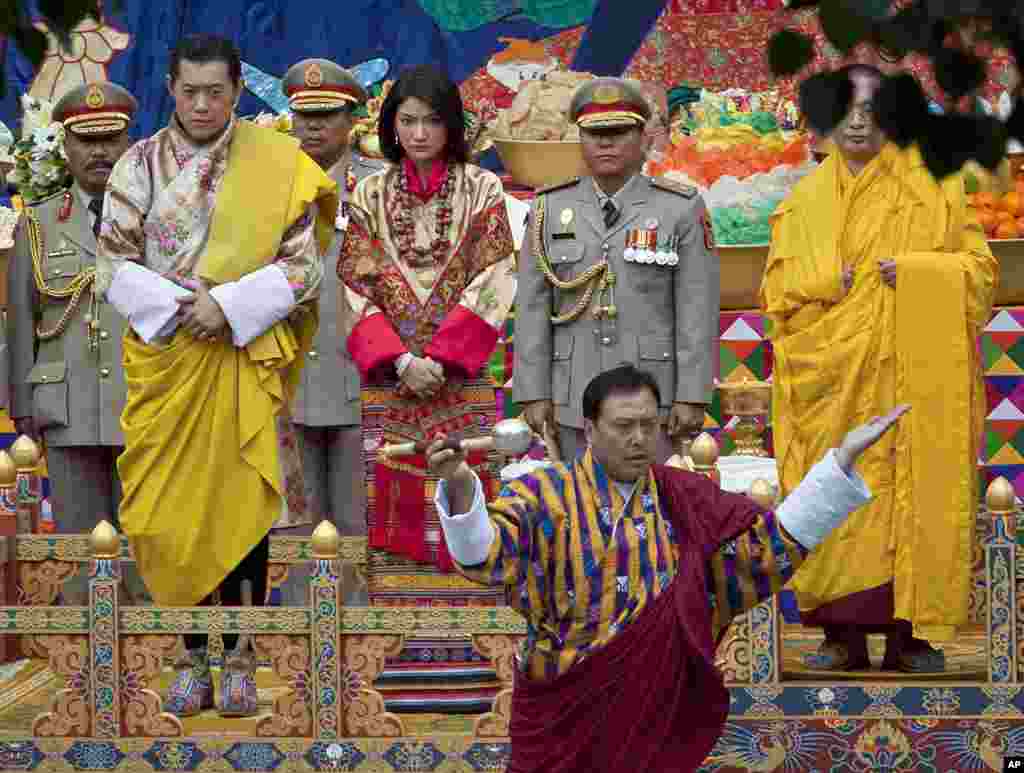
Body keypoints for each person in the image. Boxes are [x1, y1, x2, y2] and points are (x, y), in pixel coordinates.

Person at [429, 364, 906, 772]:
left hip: (651, 708)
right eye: (623, 426)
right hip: (563, 708)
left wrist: (838, 466)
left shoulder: (681, 498)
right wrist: (458, 487)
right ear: (590, 430)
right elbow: (485, 558)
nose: (639, 439)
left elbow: (755, 560)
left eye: (648, 425)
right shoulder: (542, 494)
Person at [96, 34, 337, 717]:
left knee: (242, 500)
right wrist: (185, 309)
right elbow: (111, 265)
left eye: (216, 92)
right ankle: (191, 648)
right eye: (190, 91)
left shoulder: (275, 163)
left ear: (236, 91)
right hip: (169, 358)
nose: (202, 104)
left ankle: (240, 650)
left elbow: (303, 267)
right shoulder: (136, 167)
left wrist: (227, 307)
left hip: (239, 358)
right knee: (173, 511)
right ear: (170, 89)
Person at [760, 64, 997, 673]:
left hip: (914, 373)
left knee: (913, 493)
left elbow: (980, 271)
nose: (859, 120)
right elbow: (777, 291)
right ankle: (840, 636)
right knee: (835, 488)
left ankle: (909, 637)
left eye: (872, 108)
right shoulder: (802, 202)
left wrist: (920, 273)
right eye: (846, 108)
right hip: (832, 378)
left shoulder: (937, 190)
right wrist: (822, 282)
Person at [337, 64, 516, 599]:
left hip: (459, 376)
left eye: (432, 122)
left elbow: (496, 273)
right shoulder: (368, 193)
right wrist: (400, 361)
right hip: (391, 379)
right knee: (392, 500)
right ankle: (401, 638)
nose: (418, 134)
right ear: (391, 125)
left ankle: (474, 622)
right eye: (408, 121)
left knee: (468, 486)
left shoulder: (483, 187)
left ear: (451, 127)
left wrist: (441, 357)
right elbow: (352, 284)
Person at [514, 77, 716, 464]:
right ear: (580, 139)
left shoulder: (680, 209)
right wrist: (533, 392)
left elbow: (697, 309)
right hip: (572, 396)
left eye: (618, 131)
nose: (605, 143)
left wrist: (692, 394)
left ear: (644, 137)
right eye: (594, 133)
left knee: (653, 510)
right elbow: (531, 309)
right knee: (578, 511)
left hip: (653, 398)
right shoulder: (548, 208)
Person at [7, 82, 139, 603]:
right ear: (66, 145)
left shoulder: (156, 220)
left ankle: (159, 665)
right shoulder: (38, 226)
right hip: (67, 406)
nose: (100, 151)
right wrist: (22, 406)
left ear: (130, 142)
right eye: (87, 140)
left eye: (111, 138)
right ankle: (90, 671)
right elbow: (20, 321)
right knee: (82, 550)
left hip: (145, 403)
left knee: (147, 547)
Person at [281, 58, 382, 606]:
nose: (315, 128)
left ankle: (363, 650)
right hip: (284, 377)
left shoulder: (378, 187)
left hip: (358, 375)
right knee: (296, 527)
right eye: (305, 116)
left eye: (329, 116)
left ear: (352, 120)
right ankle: (300, 651)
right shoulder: (266, 185)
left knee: (358, 520)